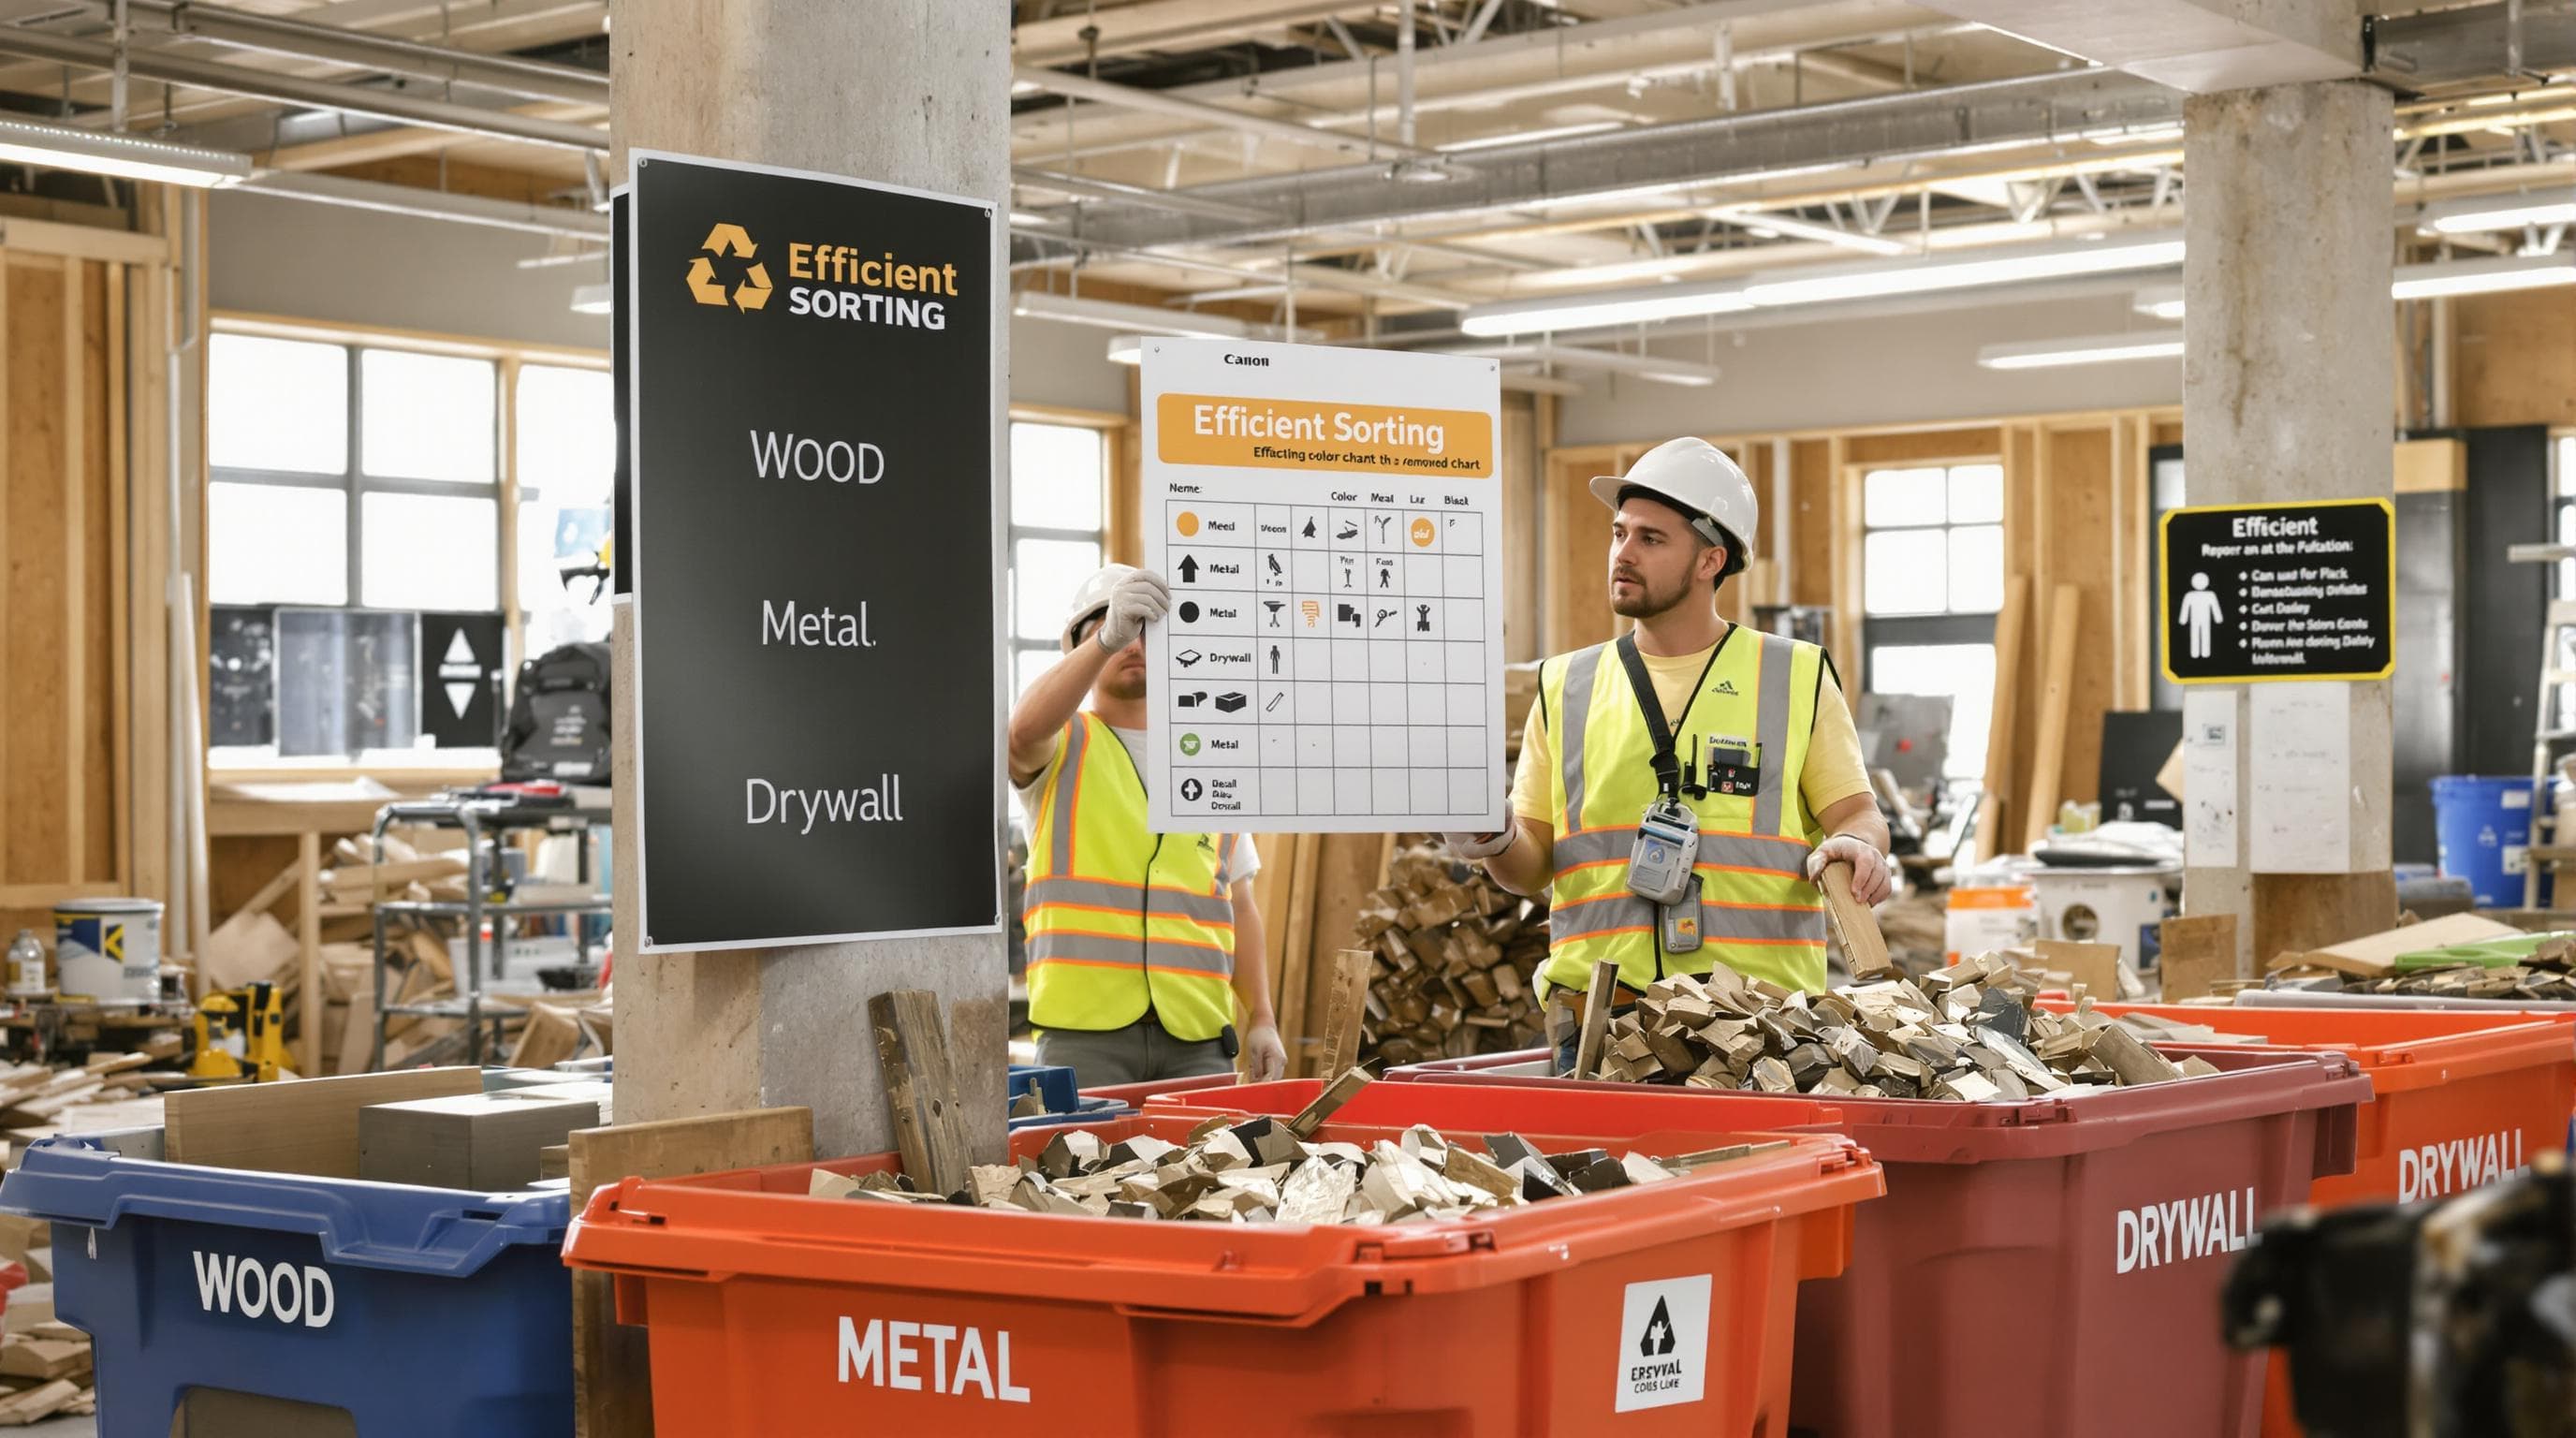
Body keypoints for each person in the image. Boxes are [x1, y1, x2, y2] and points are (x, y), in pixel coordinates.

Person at [1449, 437, 1892, 1053]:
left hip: (1758, 1021)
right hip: (1601, 1021)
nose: (1623, 554)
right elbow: (1530, 867)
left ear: (1711, 560)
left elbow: (1856, 815)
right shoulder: (1565, 685)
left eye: (1650, 539)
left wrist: (1860, 845)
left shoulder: (1793, 675)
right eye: (1619, 533)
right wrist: (1494, 839)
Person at [1009, 564, 1288, 1089]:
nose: (1132, 643)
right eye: (1114, 630)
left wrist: (1264, 1018)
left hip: (1199, 1039)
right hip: (1084, 1038)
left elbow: (1240, 903)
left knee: (1208, 1173)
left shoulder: (1211, 761)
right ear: (1079, 651)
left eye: (1145, 629)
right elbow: (1020, 735)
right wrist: (1103, 641)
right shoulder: (1064, 742)